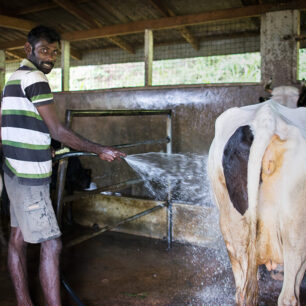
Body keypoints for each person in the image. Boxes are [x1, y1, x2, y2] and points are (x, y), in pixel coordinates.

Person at [0, 25, 126, 306]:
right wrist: (99, 149)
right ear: (27, 49)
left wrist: (41, 147)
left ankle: (24, 302)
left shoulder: (13, 79)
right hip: (30, 176)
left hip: (13, 171)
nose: (50, 57)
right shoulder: (35, 78)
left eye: (55, 52)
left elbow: (12, 127)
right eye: (44, 50)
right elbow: (57, 130)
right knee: (52, 243)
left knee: (17, 237)